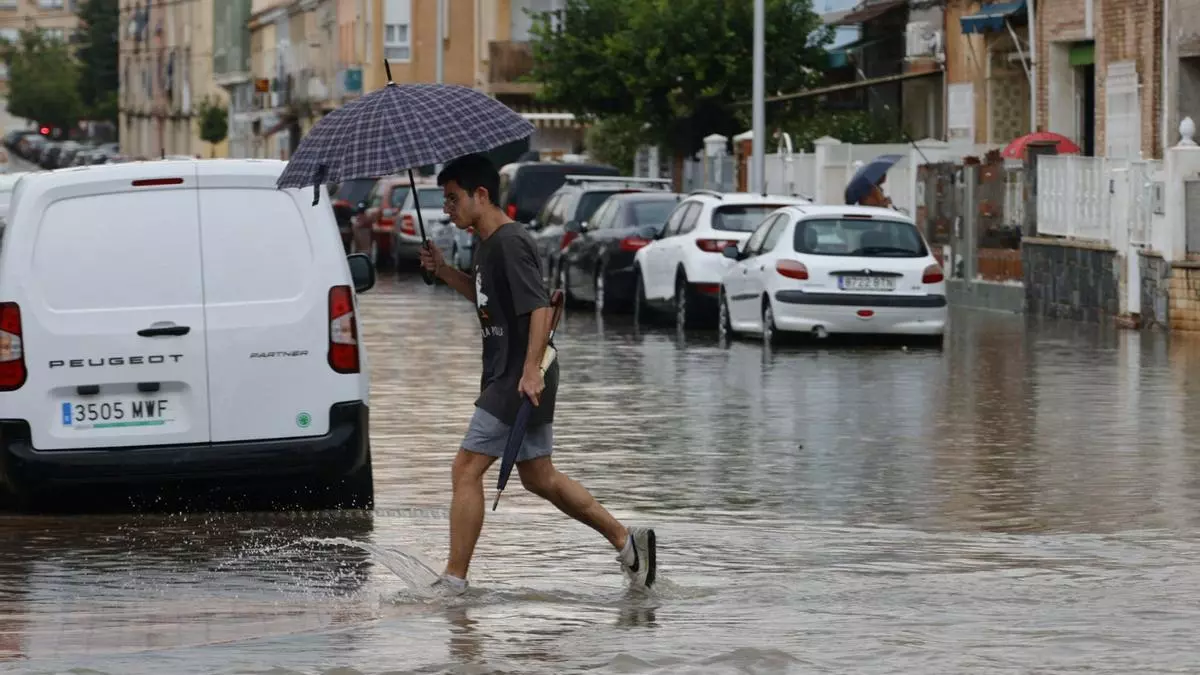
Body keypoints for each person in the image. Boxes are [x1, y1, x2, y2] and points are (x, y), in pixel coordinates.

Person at [418, 153, 657, 596]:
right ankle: (628, 543)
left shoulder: (509, 242)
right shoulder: (487, 244)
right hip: (513, 373)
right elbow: (487, 299)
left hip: (519, 375)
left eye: (452, 198)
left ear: (481, 194)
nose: (447, 208)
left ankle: (453, 580)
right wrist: (446, 271)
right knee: (539, 477)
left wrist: (529, 372)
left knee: (465, 469)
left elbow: (540, 308)